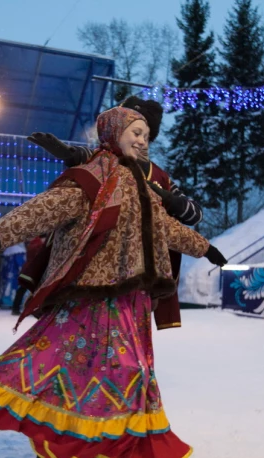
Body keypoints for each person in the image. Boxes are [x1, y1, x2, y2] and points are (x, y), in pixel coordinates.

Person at [0, 107, 227, 458]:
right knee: (97, 380)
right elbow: (39, 211)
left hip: (130, 302)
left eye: (146, 135)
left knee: (100, 383)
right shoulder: (92, 180)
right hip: (91, 300)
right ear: (114, 133)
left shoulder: (142, 183)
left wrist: (204, 247)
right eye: (135, 132)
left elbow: (166, 228)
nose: (143, 140)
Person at [27, 96, 203, 330]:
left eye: (141, 132)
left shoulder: (161, 178)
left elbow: (194, 215)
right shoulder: (103, 162)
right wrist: (70, 154)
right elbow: (85, 158)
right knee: (79, 333)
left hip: (138, 273)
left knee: (126, 336)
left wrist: (171, 200)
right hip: (92, 266)